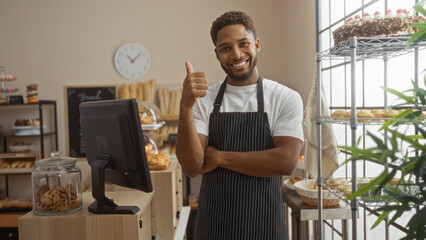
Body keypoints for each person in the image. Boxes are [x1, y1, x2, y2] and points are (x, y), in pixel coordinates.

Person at [176, 10, 304, 240]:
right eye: (226, 48)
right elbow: (192, 166)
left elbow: (286, 161)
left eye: (243, 44)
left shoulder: (285, 97)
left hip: (265, 227)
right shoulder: (204, 99)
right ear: (217, 54)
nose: (236, 54)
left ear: (256, 44)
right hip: (214, 226)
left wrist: (218, 158)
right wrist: (185, 107)